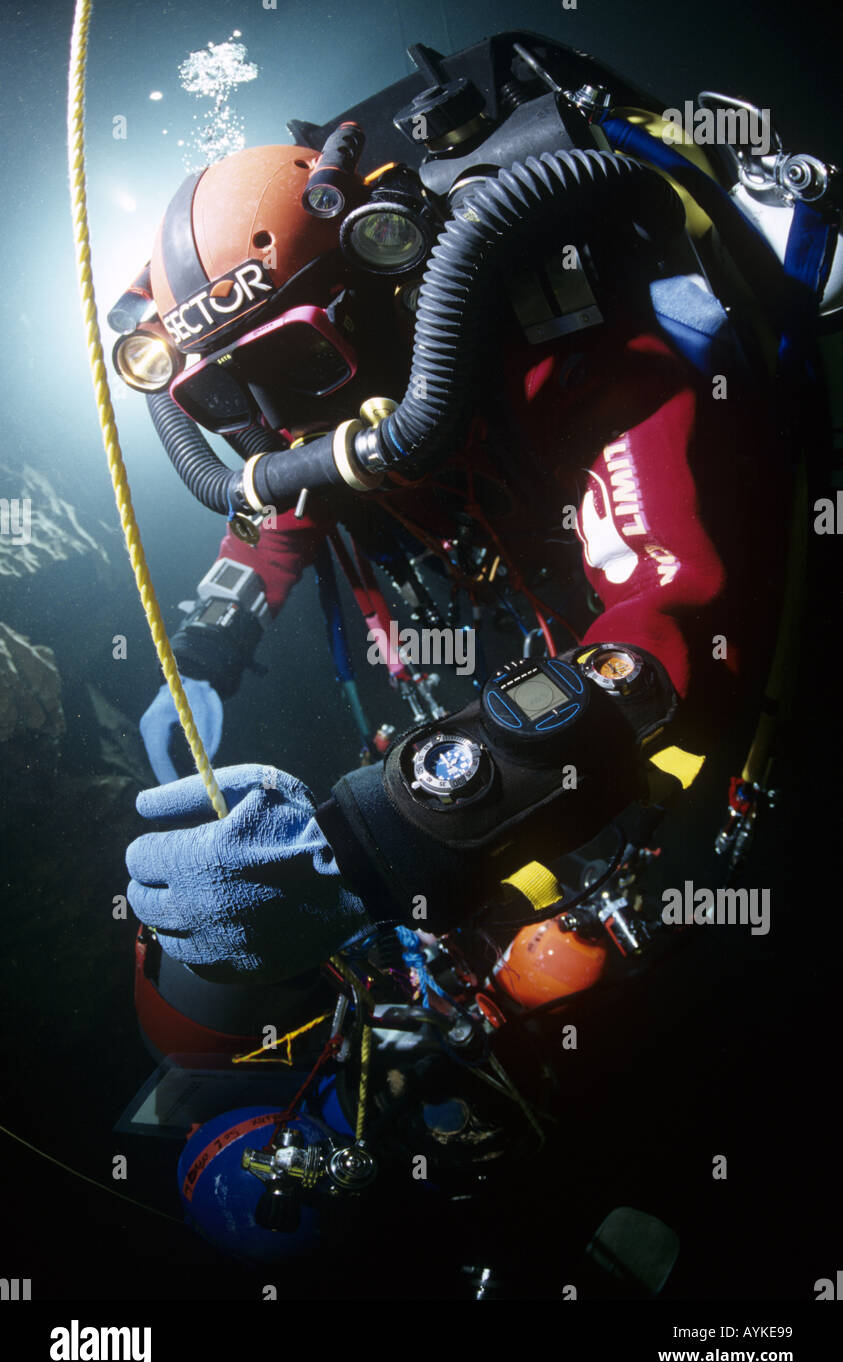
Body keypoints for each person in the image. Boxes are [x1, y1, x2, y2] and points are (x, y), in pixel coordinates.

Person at [120, 45, 795, 986]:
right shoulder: (335, 421)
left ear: (386, 300)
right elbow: (285, 502)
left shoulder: (577, 351)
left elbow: (666, 624)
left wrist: (373, 840)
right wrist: (207, 654)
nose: (280, 427)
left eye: (296, 369)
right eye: (230, 400)